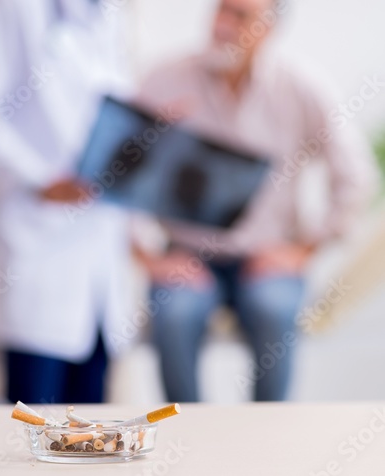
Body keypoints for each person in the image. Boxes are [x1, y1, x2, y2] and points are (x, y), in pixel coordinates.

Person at [135, 0, 378, 401]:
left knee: (273, 308)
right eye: (220, 11)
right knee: (175, 314)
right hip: (187, 254)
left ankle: (268, 438)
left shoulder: (300, 86)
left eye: (240, 16)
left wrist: (303, 251)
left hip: (267, 257)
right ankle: (186, 439)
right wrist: (149, 257)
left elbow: (356, 177)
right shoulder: (164, 80)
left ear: (269, 28)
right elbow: (116, 173)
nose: (223, 25)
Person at [0, 0, 133, 404]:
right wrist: (40, 181)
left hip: (99, 258)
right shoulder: (8, 8)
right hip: (37, 247)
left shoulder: (109, 13)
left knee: (91, 440)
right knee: (35, 434)